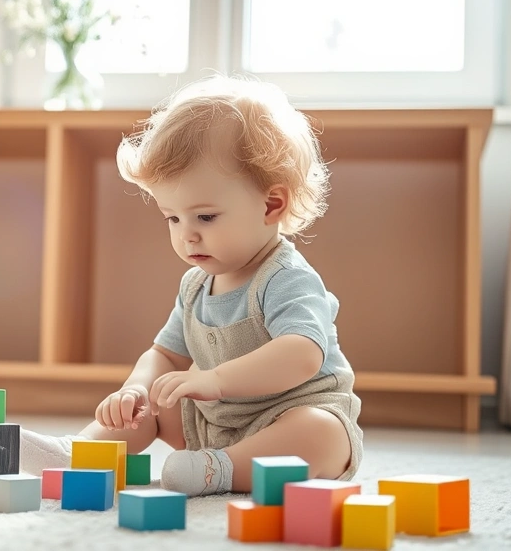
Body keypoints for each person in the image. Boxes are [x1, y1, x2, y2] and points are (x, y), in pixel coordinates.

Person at [20, 74, 363, 497]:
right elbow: (164, 353)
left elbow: (302, 355)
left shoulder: (286, 277)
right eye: (172, 217)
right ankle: (83, 454)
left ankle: (219, 471)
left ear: (272, 204)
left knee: (323, 435)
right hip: (212, 423)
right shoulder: (196, 285)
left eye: (205, 217)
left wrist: (215, 380)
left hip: (287, 416)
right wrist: (135, 389)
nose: (187, 236)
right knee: (152, 404)